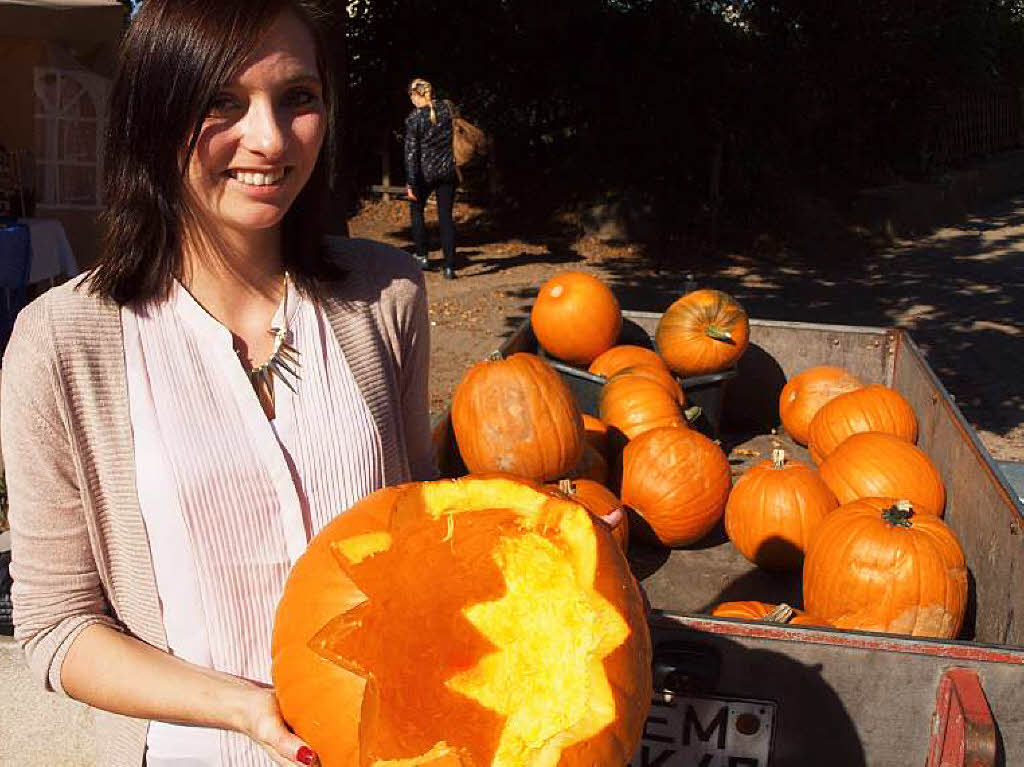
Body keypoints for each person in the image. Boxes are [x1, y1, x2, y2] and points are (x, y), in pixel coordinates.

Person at [1, 2, 435, 765]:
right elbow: (57, 625)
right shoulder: (60, 343)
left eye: (298, 97)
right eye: (221, 102)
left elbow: (422, 534)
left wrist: (546, 542)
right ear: (154, 116)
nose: (269, 139)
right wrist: (248, 710)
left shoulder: (387, 294)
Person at [404, 79, 459, 280]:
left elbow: (411, 153)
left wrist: (411, 182)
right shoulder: (447, 109)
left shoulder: (414, 119)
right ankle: (450, 267)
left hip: (424, 174)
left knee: (417, 211)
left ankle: (422, 256)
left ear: (415, 95)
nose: (410, 99)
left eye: (410, 95)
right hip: (448, 172)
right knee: (445, 217)